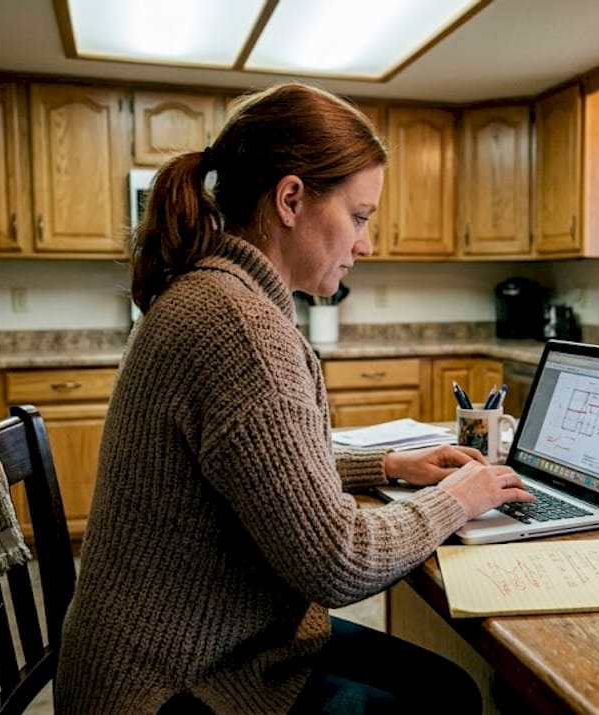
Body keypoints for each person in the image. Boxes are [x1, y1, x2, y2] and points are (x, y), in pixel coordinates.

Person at [53, 82, 534, 714]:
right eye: (359, 217)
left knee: (445, 689)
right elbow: (338, 563)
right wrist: (456, 500)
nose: (365, 244)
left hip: (180, 654)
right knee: (445, 698)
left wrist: (387, 467)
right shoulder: (240, 328)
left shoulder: (218, 297)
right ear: (290, 200)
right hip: (173, 688)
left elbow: (259, 469)